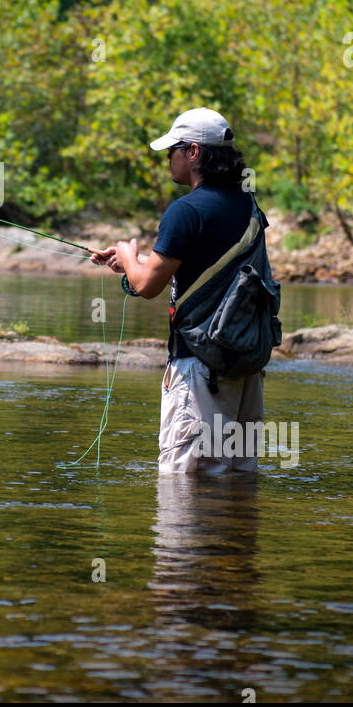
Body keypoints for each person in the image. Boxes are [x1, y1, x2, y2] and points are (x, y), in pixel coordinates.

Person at [90, 108, 270, 476]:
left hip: (201, 369)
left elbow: (146, 286)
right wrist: (136, 261)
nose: (167, 159)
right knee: (237, 481)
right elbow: (192, 263)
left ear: (193, 151)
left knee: (185, 487)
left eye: (171, 150)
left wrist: (127, 255)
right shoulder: (248, 206)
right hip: (245, 367)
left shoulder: (185, 211)